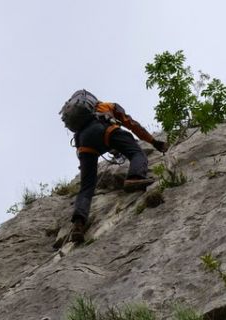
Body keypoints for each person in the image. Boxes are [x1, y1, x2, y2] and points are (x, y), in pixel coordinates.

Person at [60, 91, 167, 244]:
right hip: (106, 131)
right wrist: (154, 142)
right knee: (137, 153)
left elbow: (83, 145)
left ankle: (78, 224)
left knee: (86, 187)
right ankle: (135, 178)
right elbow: (132, 124)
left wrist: (85, 165)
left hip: (84, 143)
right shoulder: (107, 106)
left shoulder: (80, 123)